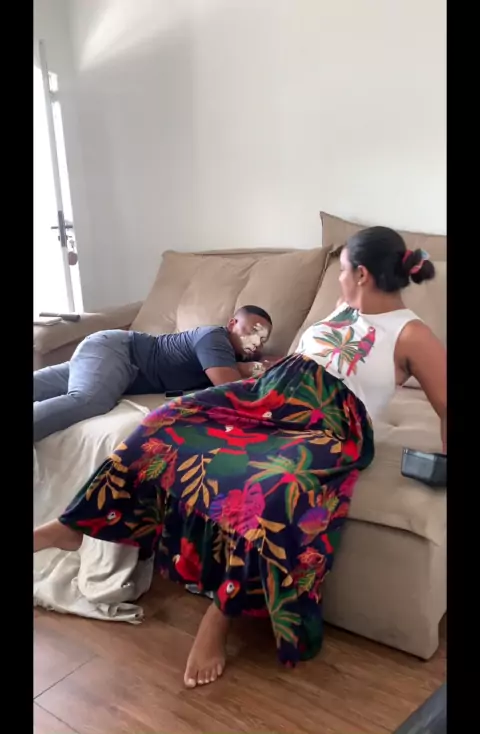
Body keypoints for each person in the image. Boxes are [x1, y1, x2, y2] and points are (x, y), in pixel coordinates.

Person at [34, 226, 446, 689]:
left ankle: (220, 614)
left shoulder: (412, 333)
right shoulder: (342, 307)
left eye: (344, 271)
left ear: (363, 274)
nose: (340, 278)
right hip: (265, 395)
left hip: (325, 422)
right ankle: (74, 526)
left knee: (271, 489)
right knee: (162, 424)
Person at [34, 305, 273, 442]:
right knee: (89, 400)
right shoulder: (215, 339)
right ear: (232, 324)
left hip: (115, 367)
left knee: (44, 385)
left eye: (262, 339)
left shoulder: (233, 356)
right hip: (121, 352)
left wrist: (252, 365)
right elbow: (229, 390)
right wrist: (248, 369)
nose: (256, 341)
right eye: (252, 331)